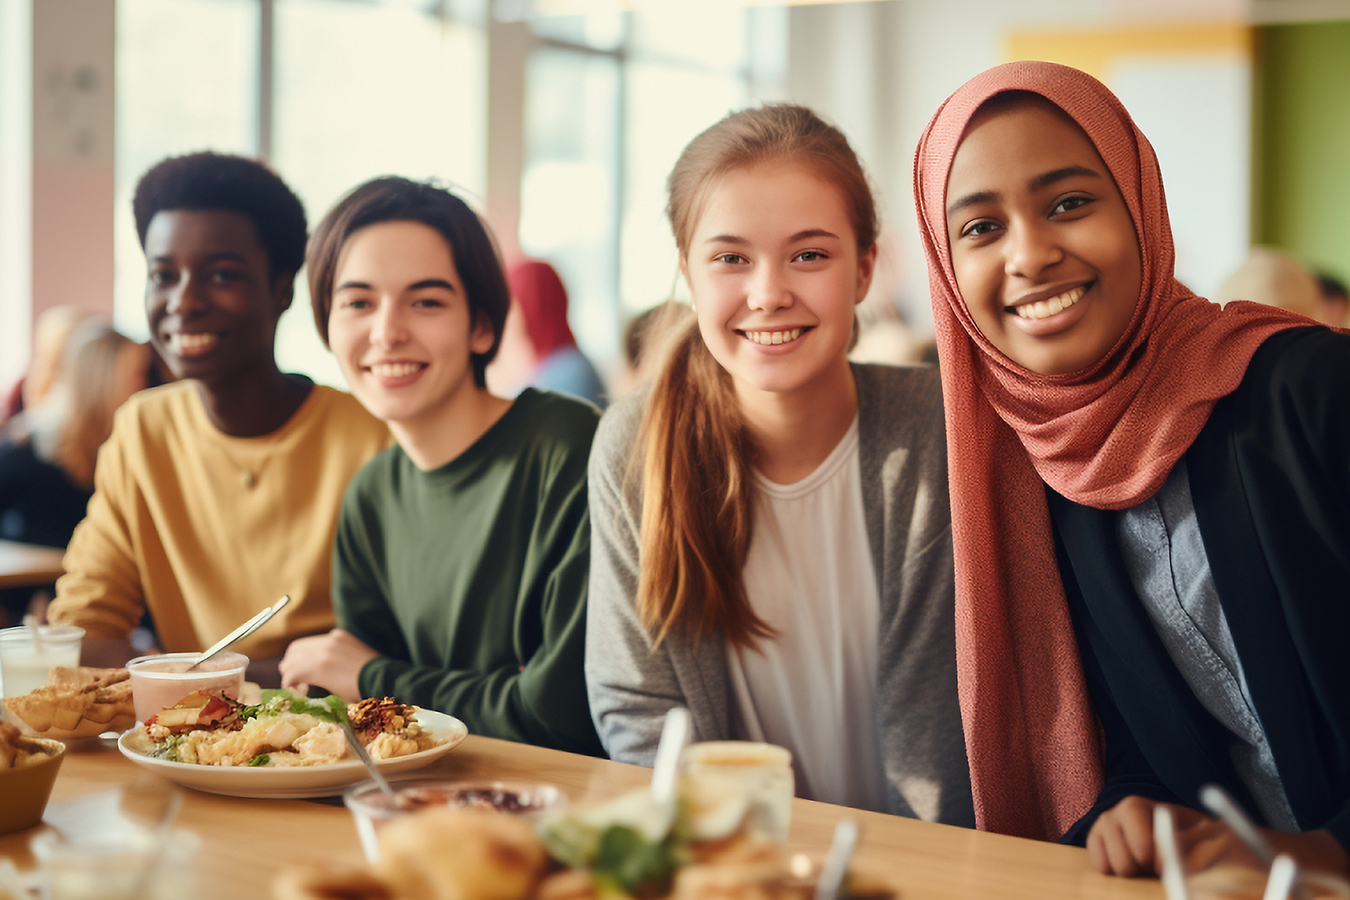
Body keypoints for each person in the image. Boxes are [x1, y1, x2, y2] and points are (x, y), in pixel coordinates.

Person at [914, 60, 1350, 879]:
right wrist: (1131, 803)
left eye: (1070, 203)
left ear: (1140, 204)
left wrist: (1323, 856)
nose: (1031, 254)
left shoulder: (1310, 388)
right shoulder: (1047, 470)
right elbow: (1156, 736)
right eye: (980, 228)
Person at [586, 104, 973, 822]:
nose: (768, 293)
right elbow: (637, 705)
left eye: (809, 254)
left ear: (864, 269)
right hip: (733, 863)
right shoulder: (636, 443)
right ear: (688, 273)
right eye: (731, 258)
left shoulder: (942, 431)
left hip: (929, 866)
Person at [278, 177, 603, 755]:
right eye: (357, 303)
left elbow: (561, 717)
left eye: (426, 301)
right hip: (412, 806)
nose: (387, 333)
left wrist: (376, 676)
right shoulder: (372, 494)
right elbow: (366, 721)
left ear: (482, 325)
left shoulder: (569, 448)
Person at [47, 152, 389, 686]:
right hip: (192, 739)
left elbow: (386, 653)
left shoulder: (372, 434)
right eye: (164, 275)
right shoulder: (143, 430)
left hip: (342, 737)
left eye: (222, 274)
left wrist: (188, 677)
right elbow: (89, 622)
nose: (184, 301)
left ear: (282, 289)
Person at [0, 323, 148, 624]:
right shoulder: (23, 453)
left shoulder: (128, 457)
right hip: (27, 626)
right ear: (104, 384)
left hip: (95, 615)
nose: (147, 387)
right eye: (139, 375)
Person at [504, 258, 608, 408]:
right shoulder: (558, 366)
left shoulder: (568, 373)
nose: (507, 317)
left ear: (532, 304)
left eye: (511, 304)